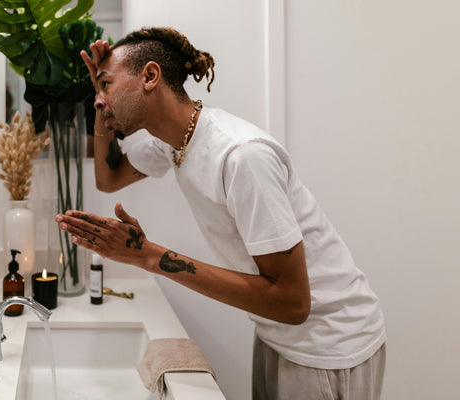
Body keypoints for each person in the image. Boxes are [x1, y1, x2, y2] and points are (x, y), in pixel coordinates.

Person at [55, 27, 386, 400]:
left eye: (106, 85)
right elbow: (108, 178)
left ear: (150, 76)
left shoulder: (241, 156)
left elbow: (294, 303)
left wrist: (148, 256)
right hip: (279, 334)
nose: (98, 101)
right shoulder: (174, 144)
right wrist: (101, 95)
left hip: (329, 344)